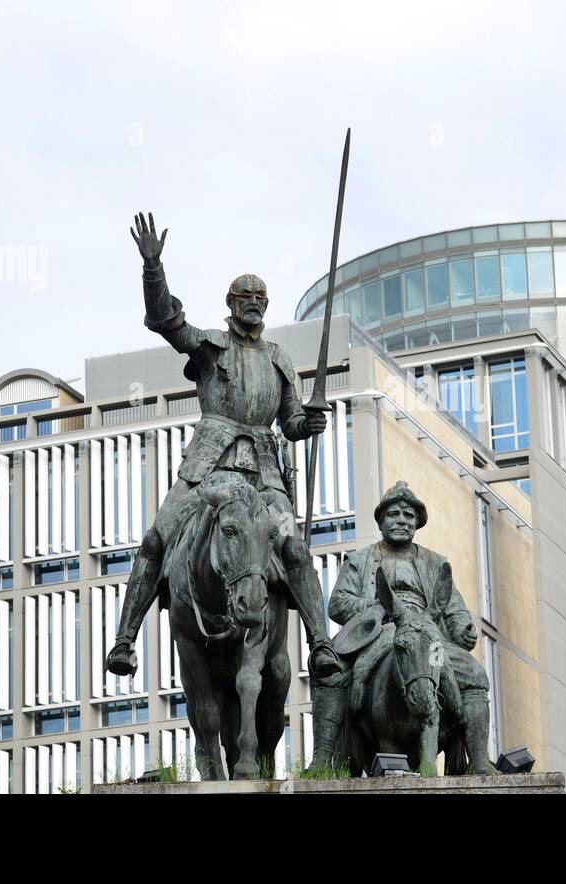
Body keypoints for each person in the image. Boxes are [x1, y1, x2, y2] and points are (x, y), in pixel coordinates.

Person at [105, 212, 346, 765]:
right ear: (231, 304)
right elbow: (167, 322)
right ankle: (125, 637)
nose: (255, 303)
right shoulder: (211, 347)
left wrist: (307, 424)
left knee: (294, 548)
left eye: (262, 296)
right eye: (245, 296)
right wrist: (153, 268)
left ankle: (319, 643)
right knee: (155, 541)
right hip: (209, 469)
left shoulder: (281, 359)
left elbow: (288, 421)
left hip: (263, 473)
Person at [328, 481, 494, 774]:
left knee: (475, 675)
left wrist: (462, 628)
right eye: (394, 514)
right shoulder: (359, 560)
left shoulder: (435, 562)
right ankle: (330, 753)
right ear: (381, 521)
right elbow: (338, 603)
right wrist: (376, 610)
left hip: (429, 635)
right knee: (335, 674)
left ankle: (479, 762)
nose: (402, 520)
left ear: (417, 523)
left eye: (408, 515)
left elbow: (453, 607)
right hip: (382, 632)